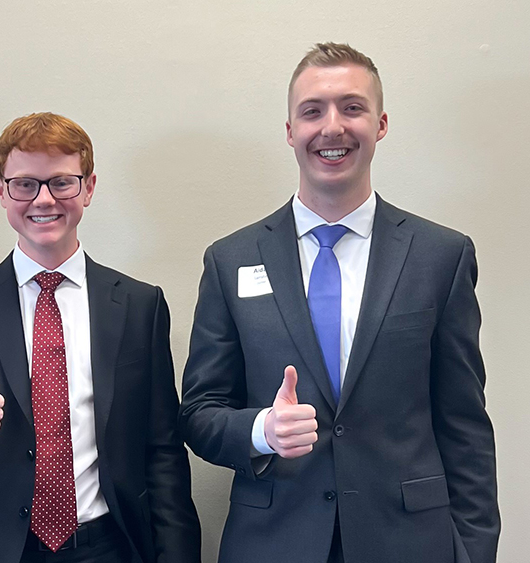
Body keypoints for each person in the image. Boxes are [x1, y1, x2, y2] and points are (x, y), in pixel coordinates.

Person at [178, 43, 500, 563]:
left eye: (352, 107)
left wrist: (475, 550)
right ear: (289, 131)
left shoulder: (442, 255)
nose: (332, 127)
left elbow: (465, 425)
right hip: (274, 542)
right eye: (312, 111)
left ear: (381, 124)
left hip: (410, 544)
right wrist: (261, 430)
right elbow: (199, 413)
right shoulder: (230, 260)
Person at [0, 112, 201, 563]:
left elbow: (163, 449)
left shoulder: (140, 306)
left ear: (89, 187)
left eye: (61, 182)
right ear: (2, 190)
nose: (44, 199)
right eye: (25, 184)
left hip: (108, 544)